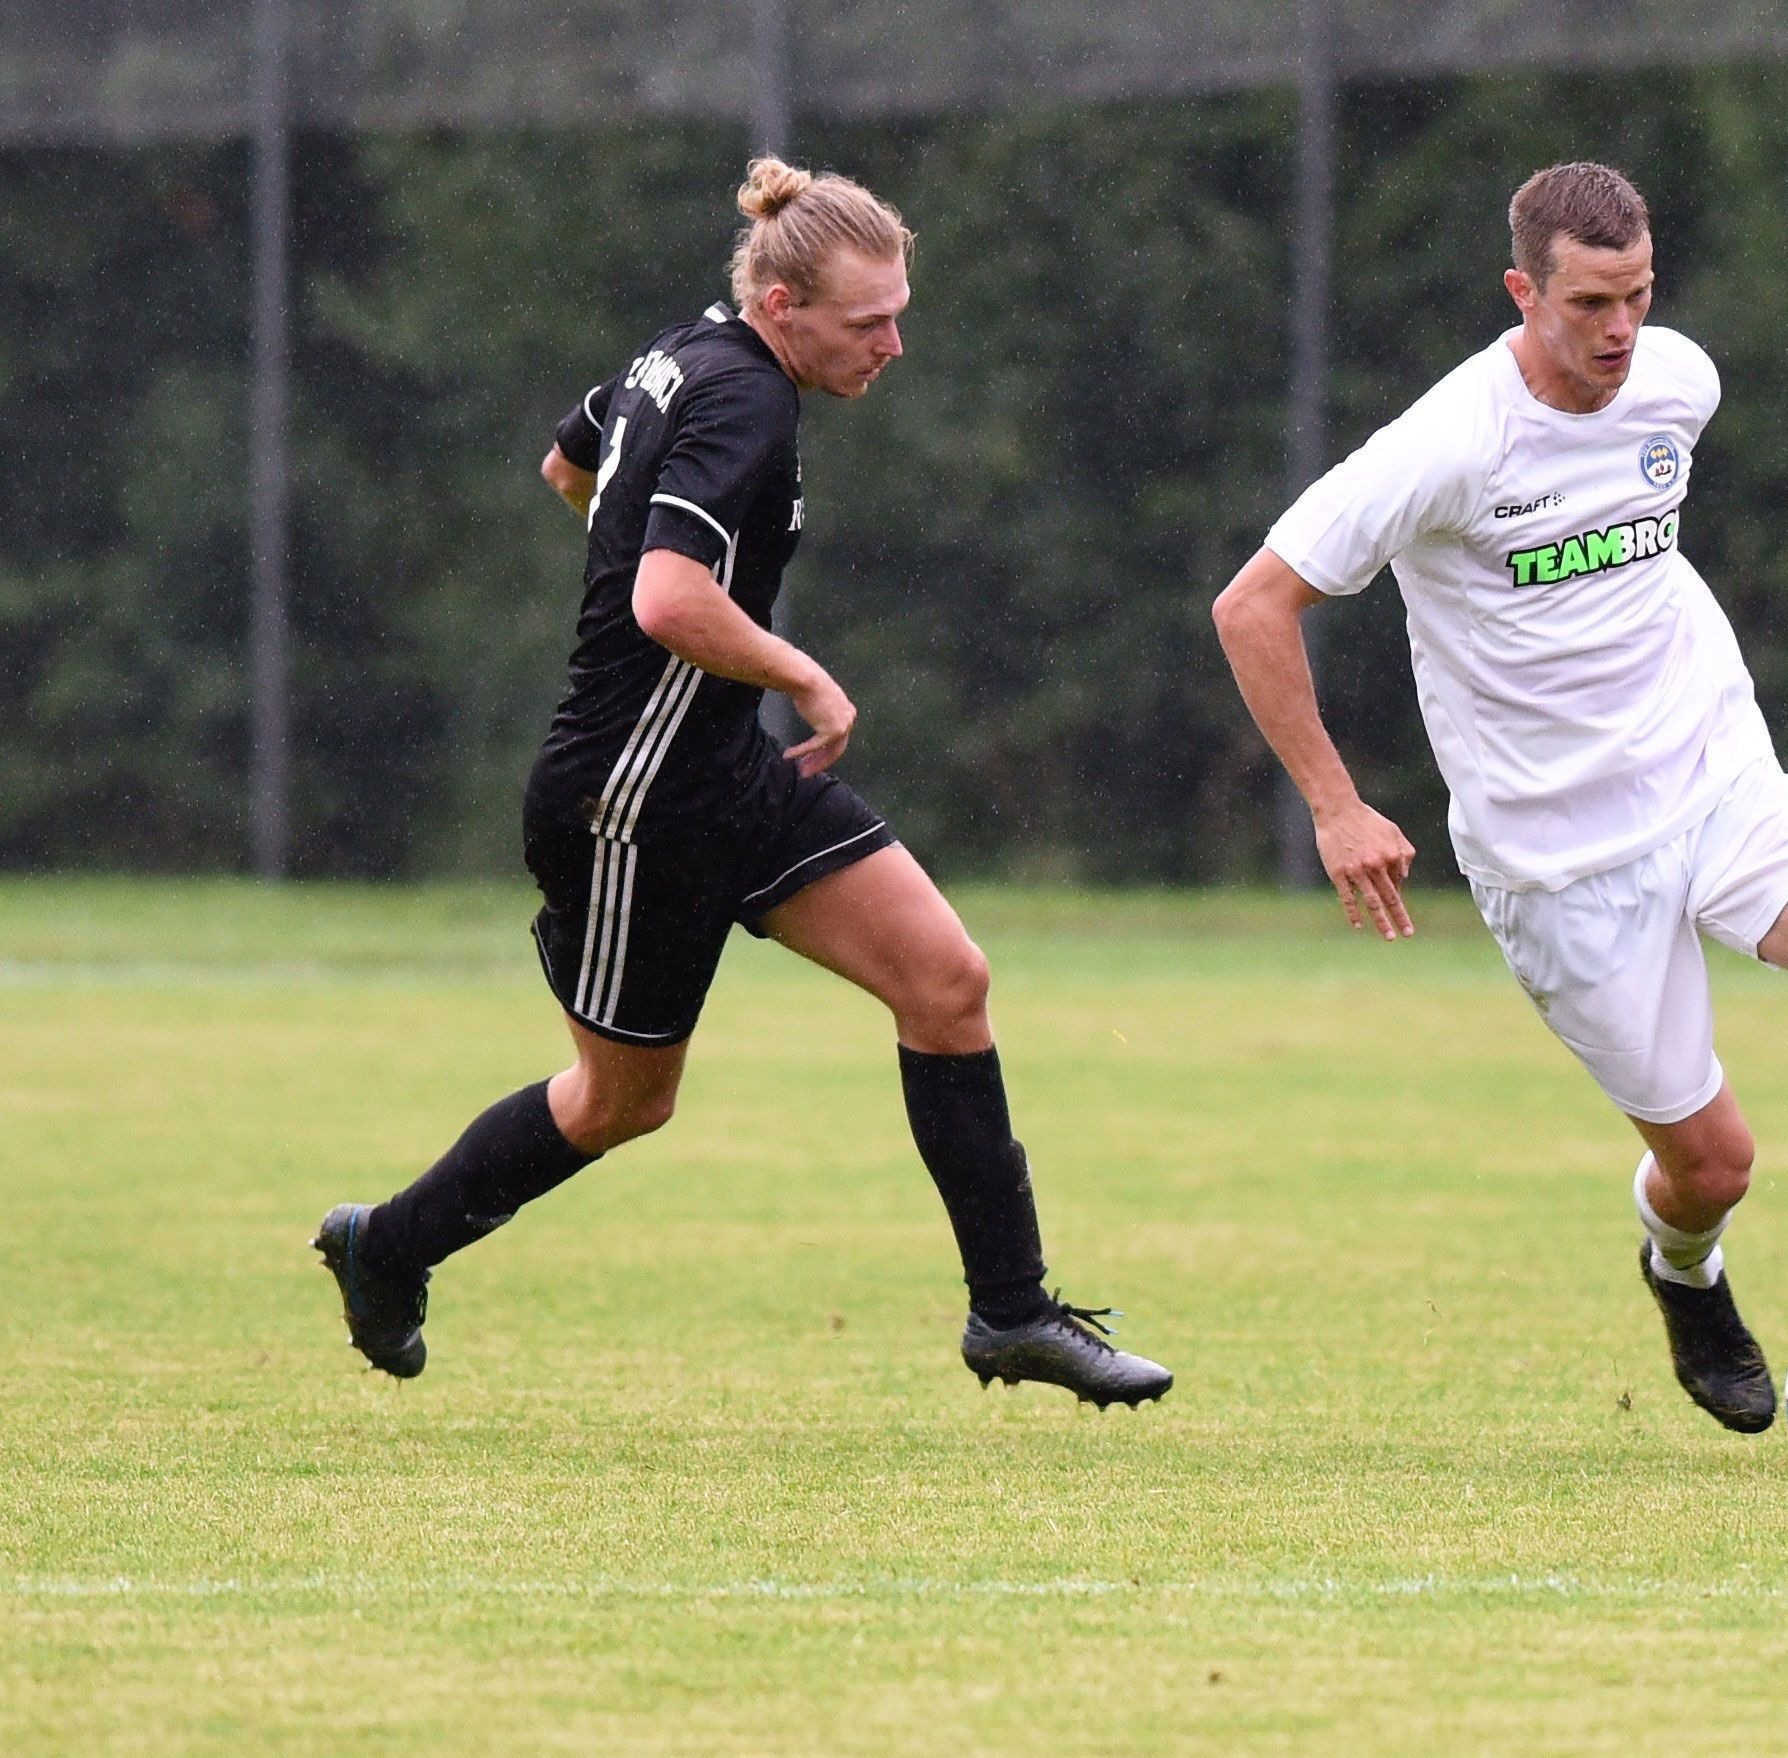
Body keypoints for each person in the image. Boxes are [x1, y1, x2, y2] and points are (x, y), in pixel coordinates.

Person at [1211, 162, 1788, 1433]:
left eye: (1637, 295)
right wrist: (1337, 808)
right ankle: (1685, 1272)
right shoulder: (1444, 445)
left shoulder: (1678, 381)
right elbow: (1252, 606)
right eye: (1587, 304)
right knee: (1713, 1165)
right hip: (1560, 861)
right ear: (1522, 292)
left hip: (1716, 777)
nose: (1619, 331)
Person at [310, 158, 1169, 1410]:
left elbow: (571, 466)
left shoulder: (682, 355)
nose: (894, 342)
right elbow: (664, 597)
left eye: (899, 310)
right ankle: (385, 1245)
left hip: (722, 771)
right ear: (781, 307)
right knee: (621, 1102)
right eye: (869, 321)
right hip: (629, 803)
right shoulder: (742, 403)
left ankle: (1011, 1313)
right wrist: (799, 674)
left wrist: (671, 617)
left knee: (945, 981)